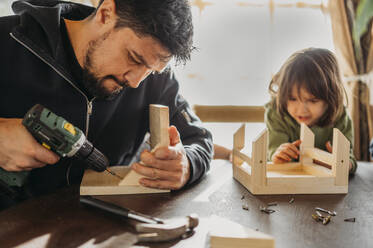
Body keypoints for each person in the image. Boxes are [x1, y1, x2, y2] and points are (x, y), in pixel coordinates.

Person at [0, 0, 213, 209]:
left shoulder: (156, 80)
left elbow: (199, 139)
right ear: (106, 14)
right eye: (134, 58)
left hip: (104, 229)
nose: (136, 81)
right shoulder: (8, 41)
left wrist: (186, 166)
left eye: (151, 70)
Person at [265, 47, 357, 173]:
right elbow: (273, 153)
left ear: (331, 99)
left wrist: (342, 164)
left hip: (324, 186)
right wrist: (280, 156)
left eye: (313, 101)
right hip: (289, 182)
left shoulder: (340, 117)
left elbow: (350, 160)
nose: (301, 110)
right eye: (292, 98)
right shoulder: (276, 113)